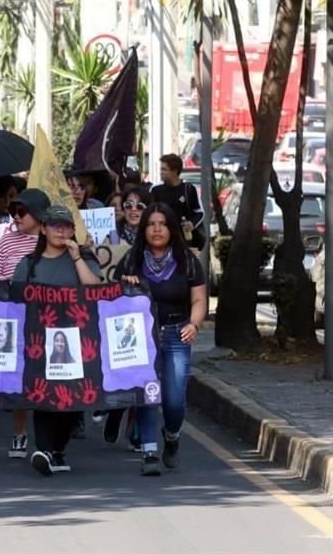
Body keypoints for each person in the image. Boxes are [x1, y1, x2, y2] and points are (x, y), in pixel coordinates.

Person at [11, 205, 102, 476]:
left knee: (70, 401)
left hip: (76, 340)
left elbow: (95, 289)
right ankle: (44, 450)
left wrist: (76, 257)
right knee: (42, 395)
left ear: (74, 230)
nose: (60, 231)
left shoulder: (84, 257)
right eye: (54, 225)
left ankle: (58, 449)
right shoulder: (29, 263)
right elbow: (14, 300)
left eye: (66, 226)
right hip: (39, 341)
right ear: (43, 229)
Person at [118, 202, 207, 476]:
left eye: (162, 224)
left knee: (174, 400)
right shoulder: (132, 260)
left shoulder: (187, 261)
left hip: (177, 334)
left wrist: (194, 323)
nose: (157, 229)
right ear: (144, 229)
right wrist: (126, 285)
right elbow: (112, 300)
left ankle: (171, 436)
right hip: (141, 338)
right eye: (151, 224)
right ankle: (148, 451)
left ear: (171, 228)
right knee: (146, 395)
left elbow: (200, 299)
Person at [0, 188, 50, 458]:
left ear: (38, 214)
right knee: (21, 377)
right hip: (14, 318)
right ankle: (20, 433)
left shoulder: (53, 241)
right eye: (13, 211)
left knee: (48, 377)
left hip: (48, 319)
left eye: (22, 211)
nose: (17, 217)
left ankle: (49, 439)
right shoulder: (7, 243)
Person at [150, 153, 205, 249]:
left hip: (184, 241)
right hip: (162, 240)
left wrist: (192, 224)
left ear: (174, 171)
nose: (160, 172)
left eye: (164, 169)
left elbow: (199, 213)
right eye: (161, 169)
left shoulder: (188, 189)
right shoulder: (155, 190)